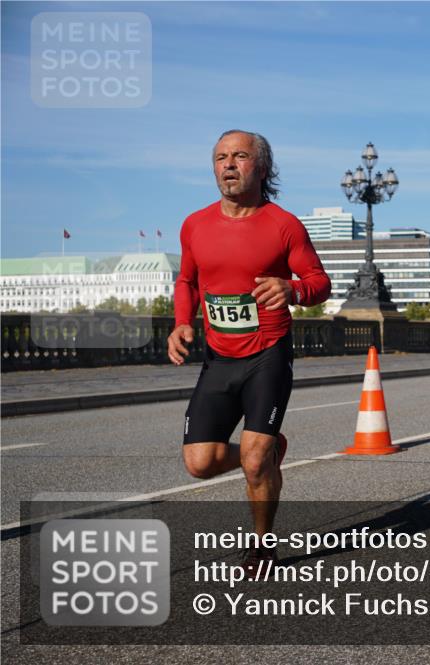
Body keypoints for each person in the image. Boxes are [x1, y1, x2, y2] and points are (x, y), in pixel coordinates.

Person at [167, 130, 331, 574]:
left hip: (268, 354)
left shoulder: (283, 224)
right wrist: (183, 323)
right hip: (219, 357)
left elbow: (320, 282)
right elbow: (186, 281)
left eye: (239, 156)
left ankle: (262, 546)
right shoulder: (195, 224)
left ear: (262, 167)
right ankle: (267, 450)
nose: (229, 165)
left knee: (255, 460)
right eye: (221, 157)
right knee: (199, 463)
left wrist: (291, 289)